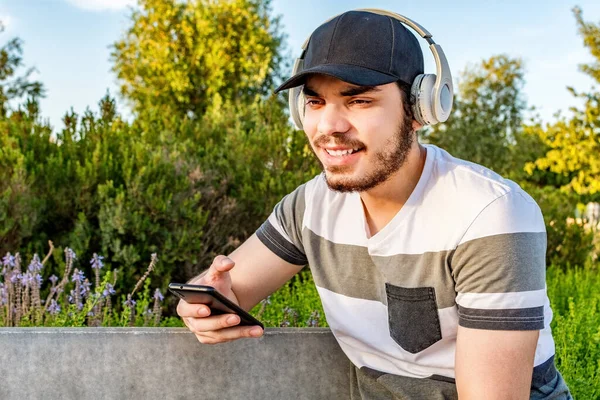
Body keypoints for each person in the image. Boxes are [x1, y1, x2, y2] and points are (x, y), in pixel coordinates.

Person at [177, 9, 571, 400]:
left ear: (420, 108)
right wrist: (203, 305)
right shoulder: (310, 206)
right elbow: (224, 291)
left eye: (359, 101)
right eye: (315, 102)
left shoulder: (489, 214)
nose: (329, 126)